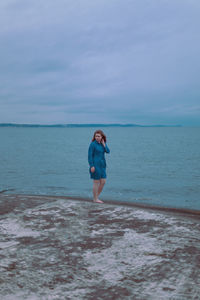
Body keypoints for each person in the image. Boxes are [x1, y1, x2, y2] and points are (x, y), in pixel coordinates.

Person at [88, 130, 110, 203]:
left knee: (103, 181)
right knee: (96, 182)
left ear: (102, 137)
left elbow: (108, 151)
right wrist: (92, 165)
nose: (97, 137)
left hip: (102, 165)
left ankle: (96, 197)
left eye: (99, 136)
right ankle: (95, 199)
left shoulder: (102, 144)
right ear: (94, 137)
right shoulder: (92, 144)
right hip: (95, 165)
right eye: (96, 136)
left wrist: (104, 144)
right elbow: (90, 156)